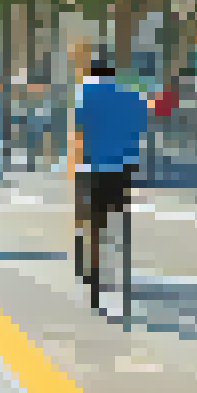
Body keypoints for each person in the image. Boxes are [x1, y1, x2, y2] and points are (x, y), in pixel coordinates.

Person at [70, 56, 147, 306]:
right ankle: (120, 266)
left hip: (93, 168)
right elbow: (141, 129)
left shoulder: (86, 91)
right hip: (123, 169)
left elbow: (78, 131)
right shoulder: (131, 96)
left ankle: (91, 272)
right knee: (119, 217)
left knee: (91, 221)